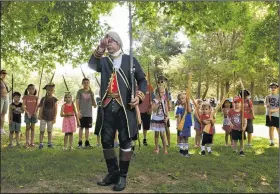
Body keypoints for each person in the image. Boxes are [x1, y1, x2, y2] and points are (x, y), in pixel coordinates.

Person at [88, 31, 147, 191]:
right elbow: (92, 64)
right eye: (106, 41)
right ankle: (113, 173)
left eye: (111, 41)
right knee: (106, 141)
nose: (108, 43)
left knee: (125, 141)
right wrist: (100, 48)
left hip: (125, 108)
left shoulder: (130, 60)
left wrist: (139, 96)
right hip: (107, 106)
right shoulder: (105, 61)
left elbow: (142, 80)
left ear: (118, 43)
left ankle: (122, 176)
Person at [76, 78, 96, 148]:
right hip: (82, 113)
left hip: (89, 113)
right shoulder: (80, 91)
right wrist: (78, 112)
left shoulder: (91, 92)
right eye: (84, 82)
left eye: (87, 82)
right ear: (82, 83)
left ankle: (87, 142)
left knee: (87, 128)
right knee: (81, 127)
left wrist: (94, 99)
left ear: (89, 83)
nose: (86, 84)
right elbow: (77, 102)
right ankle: (80, 142)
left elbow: (94, 104)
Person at [37, 83, 58, 149]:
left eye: (51, 90)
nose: (50, 91)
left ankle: (49, 143)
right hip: (43, 117)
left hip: (51, 117)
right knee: (42, 130)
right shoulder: (43, 99)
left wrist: (54, 117)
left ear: (53, 91)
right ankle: (41, 143)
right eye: (48, 90)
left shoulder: (54, 99)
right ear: (46, 91)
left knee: (49, 131)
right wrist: (39, 115)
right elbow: (41, 107)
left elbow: (55, 109)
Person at [150, 87, 168, 155]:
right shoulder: (154, 101)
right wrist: (158, 103)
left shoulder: (164, 100)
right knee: (156, 134)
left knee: (163, 135)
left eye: (164, 92)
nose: (163, 93)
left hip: (162, 120)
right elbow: (154, 110)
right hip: (156, 119)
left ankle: (165, 149)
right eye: (162, 92)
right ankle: (156, 148)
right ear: (157, 93)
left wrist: (167, 117)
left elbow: (166, 111)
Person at [176, 93, 192, 157]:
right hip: (182, 125)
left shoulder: (189, 105)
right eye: (179, 99)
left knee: (186, 138)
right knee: (182, 138)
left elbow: (190, 111)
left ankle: (186, 150)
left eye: (183, 98)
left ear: (186, 99)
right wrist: (178, 125)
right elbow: (178, 117)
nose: (181, 100)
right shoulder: (179, 108)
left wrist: (188, 103)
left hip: (187, 124)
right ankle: (182, 151)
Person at [264, 82, 279, 146]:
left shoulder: (279, 96)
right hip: (269, 114)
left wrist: (274, 110)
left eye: (274, 87)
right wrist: (266, 105)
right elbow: (265, 104)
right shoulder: (267, 97)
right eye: (271, 87)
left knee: (278, 129)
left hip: (277, 115)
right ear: (269, 88)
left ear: (277, 88)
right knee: (271, 128)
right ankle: (271, 142)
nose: (273, 88)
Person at [138, 81, 153, 146]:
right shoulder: (136, 87)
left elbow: (153, 99)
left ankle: (144, 139)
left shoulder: (150, 87)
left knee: (145, 126)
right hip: (138, 110)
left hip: (147, 110)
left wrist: (151, 108)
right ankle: (135, 139)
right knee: (136, 126)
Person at [0, 69, 9, 135]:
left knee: (3, 113)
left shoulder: (5, 81)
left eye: (5, 73)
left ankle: (1, 129)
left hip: (6, 97)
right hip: (1, 98)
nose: (4, 74)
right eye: (3, 73)